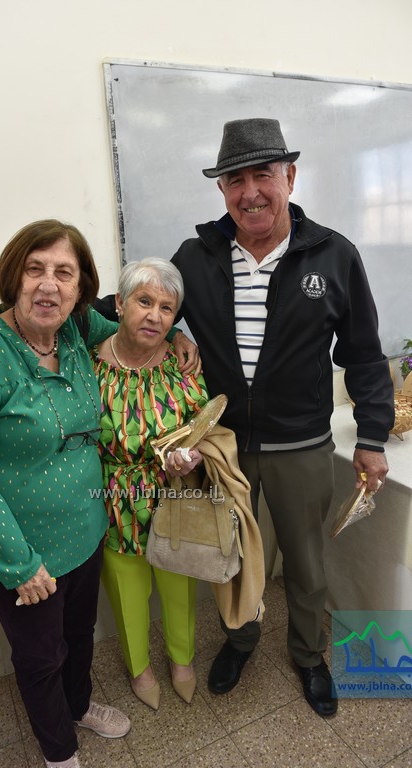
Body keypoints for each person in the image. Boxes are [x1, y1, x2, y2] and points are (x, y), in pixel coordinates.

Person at [168, 118, 395, 716]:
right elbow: (143, 306)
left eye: (263, 175)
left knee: (306, 562)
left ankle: (309, 654)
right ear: (221, 189)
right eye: (234, 180)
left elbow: (364, 355)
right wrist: (168, 335)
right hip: (226, 446)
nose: (250, 193)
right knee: (234, 556)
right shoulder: (195, 256)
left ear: (289, 177)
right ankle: (241, 640)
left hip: (303, 445)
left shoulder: (334, 255)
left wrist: (372, 437)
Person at [0, 219, 132, 768]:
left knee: (79, 634)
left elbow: (139, 322)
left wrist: (179, 339)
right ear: (12, 277)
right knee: (41, 657)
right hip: (24, 552)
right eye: (35, 269)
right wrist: (20, 565)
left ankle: (79, 705)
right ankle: (59, 753)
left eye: (64, 273)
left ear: (80, 288)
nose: (49, 285)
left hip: (87, 531)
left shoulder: (76, 329)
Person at [90, 258, 208, 710]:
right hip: (112, 499)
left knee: (179, 586)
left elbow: (204, 423)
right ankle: (139, 668)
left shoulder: (182, 364)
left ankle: (182, 661)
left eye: (166, 308)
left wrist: (193, 454)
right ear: (120, 304)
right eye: (144, 301)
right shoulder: (89, 363)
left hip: (174, 496)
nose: (155, 316)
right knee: (128, 593)